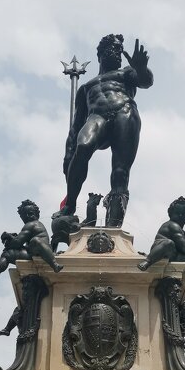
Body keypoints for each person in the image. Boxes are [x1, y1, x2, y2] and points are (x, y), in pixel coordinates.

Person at [61, 34, 153, 227]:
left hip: (124, 111)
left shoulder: (127, 73)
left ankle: (114, 225)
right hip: (98, 116)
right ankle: (69, 205)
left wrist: (141, 67)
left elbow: (145, 81)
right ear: (101, 54)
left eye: (120, 50)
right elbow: (76, 126)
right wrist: (68, 154)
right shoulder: (86, 87)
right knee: (83, 147)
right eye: (113, 49)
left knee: (120, 171)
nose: (118, 54)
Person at [0, 199, 63, 280]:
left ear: (37, 214)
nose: (28, 216)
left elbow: (17, 242)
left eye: (31, 213)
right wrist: (10, 239)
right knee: (7, 254)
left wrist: (8, 237)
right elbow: (18, 241)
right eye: (26, 215)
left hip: (42, 252)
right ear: (22, 217)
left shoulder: (32, 224)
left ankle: (54, 264)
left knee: (35, 241)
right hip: (32, 253)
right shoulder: (32, 225)